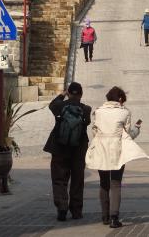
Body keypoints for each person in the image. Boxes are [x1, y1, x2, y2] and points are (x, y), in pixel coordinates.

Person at [86, 86, 149, 228]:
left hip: (101, 149)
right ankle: (115, 217)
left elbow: (94, 132)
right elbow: (127, 135)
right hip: (117, 150)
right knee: (115, 183)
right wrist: (137, 129)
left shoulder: (98, 112)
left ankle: (105, 216)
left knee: (103, 183)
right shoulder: (125, 112)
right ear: (120, 99)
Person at [43, 82, 92, 221]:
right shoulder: (86, 109)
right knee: (77, 180)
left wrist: (62, 94)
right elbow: (87, 123)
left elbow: (51, 105)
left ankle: (62, 207)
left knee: (59, 179)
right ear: (81, 94)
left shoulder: (59, 106)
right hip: (78, 149)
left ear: (69, 93)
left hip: (59, 148)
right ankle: (76, 211)